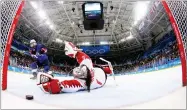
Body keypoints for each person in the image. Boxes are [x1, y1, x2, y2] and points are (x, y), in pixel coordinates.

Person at [37, 41, 108, 94]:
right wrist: (76, 53)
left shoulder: (84, 81)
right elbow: (88, 62)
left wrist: (52, 86)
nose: (76, 73)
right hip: (98, 77)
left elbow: (67, 85)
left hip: (97, 77)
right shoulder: (91, 74)